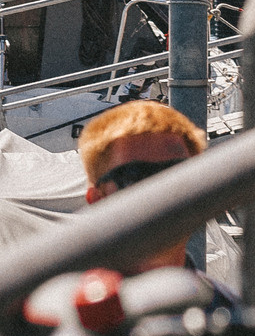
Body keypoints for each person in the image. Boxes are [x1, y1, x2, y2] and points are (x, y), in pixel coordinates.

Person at [76, 99, 206, 272]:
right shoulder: (58, 289)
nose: (160, 194)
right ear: (97, 200)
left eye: (177, 174)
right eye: (134, 177)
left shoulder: (224, 292)